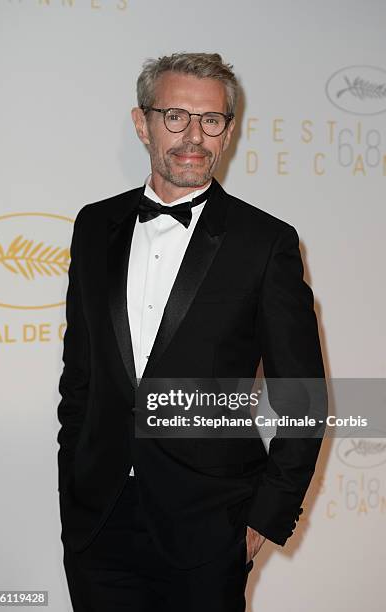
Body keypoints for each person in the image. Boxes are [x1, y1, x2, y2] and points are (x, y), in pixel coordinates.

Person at [57, 52, 327, 612]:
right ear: (142, 123)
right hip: (98, 524)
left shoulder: (265, 242)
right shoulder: (93, 226)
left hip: (211, 525)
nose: (193, 136)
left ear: (228, 131)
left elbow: (302, 397)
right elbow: (79, 376)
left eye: (211, 120)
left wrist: (267, 516)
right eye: (175, 117)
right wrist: (72, 488)